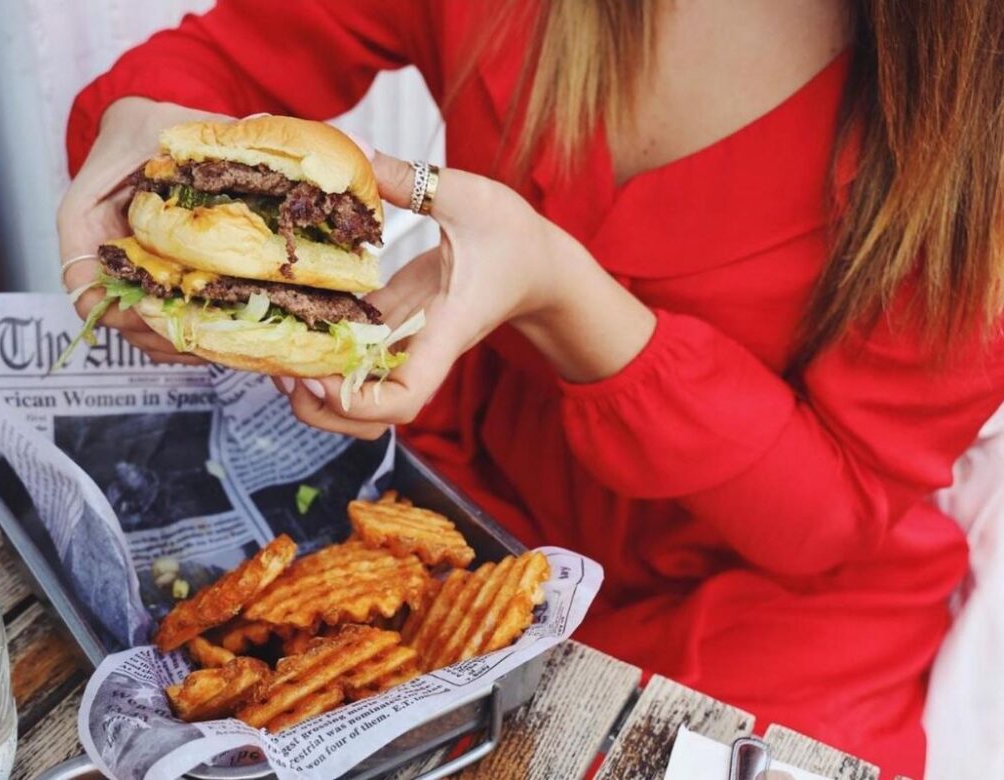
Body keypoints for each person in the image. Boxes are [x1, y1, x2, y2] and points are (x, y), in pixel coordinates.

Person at [58, 2, 1004, 774]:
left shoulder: (975, 114)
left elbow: (829, 514)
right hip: (471, 499)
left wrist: (563, 295)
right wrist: (149, 120)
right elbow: (234, 54)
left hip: (765, 605)